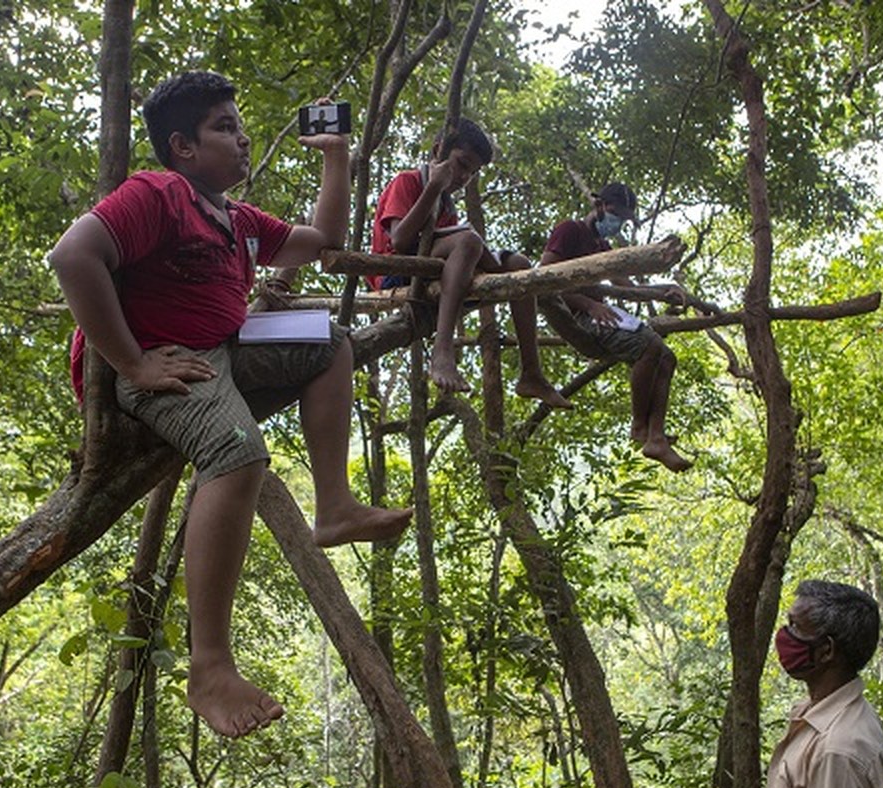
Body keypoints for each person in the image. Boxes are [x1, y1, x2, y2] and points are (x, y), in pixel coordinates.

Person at [47, 71, 413, 738]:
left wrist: (336, 156)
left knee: (330, 340)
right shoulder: (158, 193)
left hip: (224, 346)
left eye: (239, 126)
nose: (242, 138)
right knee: (236, 451)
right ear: (182, 146)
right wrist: (131, 361)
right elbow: (74, 257)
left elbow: (322, 240)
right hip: (164, 358)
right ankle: (209, 665)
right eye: (224, 127)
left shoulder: (237, 218)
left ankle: (332, 506)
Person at [369, 118, 571, 407]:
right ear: (438, 151)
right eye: (462, 164)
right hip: (396, 274)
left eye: (473, 172)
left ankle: (531, 371)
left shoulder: (448, 205)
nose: (465, 176)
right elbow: (400, 240)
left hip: (431, 271)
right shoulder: (409, 181)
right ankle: (443, 350)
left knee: (520, 264)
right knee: (469, 241)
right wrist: (432, 190)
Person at [540, 182, 691, 472]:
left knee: (667, 357)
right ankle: (639, 427)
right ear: (600, 207)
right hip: (578, 316)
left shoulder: (602, 247)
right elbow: (543, 281)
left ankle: (656, 436)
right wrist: (589, 305)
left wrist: (661, 291)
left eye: (623, 219)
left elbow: (627, 286)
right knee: (647, 348)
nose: (618, 223)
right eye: (616, 216)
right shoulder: (570, 230)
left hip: (601, 313)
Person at [766, 580, 883, 788]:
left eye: (795, 626)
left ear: (826, 650)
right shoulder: (822, 715)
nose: (784, 635)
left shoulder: (838, 751)